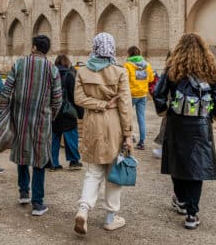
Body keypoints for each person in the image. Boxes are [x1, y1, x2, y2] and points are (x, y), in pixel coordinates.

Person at [153, 33, 216, 230]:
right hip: (201, 124)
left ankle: (182, 200)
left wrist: (164, 111)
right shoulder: (209, 68)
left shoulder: (173, 67)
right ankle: (192, 215)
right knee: (197, 167)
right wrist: (214, 115)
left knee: (177, 162)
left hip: (177, 123)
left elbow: (158, 93)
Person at [73, 33, 133, 235]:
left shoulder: (82, 71)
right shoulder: (119, 71)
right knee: (114, 172)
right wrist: (128, 133)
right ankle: (110, 217)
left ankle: (83, 210)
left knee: (93, 171)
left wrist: (98, 104)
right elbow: (125, 105)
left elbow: (78, 99)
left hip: (92, 124)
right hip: (113, 124)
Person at [0, 35, 62, 217]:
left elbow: (6, 91)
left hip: (20, 118)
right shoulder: (52, 69)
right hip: (42, 120)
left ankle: (24, 192)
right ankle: (37, 203)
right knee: (39, 159)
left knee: (22, 154)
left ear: (34, 47)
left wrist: (5, 113)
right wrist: (51, 116)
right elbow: (57, 99)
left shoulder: (20, 64)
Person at [49, 54, 83, 171]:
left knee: (54, 137)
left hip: (53, 111)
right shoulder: (70, 75)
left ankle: (53, 163)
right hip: (68, 111)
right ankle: (73, 161)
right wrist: (80, 112)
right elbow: (75, 96)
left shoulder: (51, 74)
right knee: (71, 136)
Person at [124, 45, 155, 150]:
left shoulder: (127, 65)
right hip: (143, 95)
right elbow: (151, 79)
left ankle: (130, 137)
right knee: (141, 118)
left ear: (129, 53)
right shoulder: (147, 65)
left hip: (131, 95)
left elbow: (124, 81)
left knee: (127, 117)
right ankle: (142, 142)